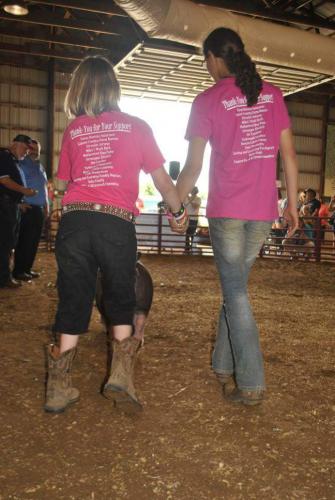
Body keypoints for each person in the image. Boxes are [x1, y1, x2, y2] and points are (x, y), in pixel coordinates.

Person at [45, 55, 188, 415]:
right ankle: (121, 377)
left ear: (78, 89)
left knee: (73, 299)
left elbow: (62, 183)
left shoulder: (74, 129)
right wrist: (178, 211)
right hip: (114, 222)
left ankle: (58, 389)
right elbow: (161, 180)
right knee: (120, 297)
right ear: (114, 87)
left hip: (75, 223)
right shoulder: (138, 127)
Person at [175, 28, 299, 406]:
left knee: (236, 292)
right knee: (235, 289)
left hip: (227, 210)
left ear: (213, 58)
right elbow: (289, 157)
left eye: (205, 60)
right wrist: (291, 206)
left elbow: (193, 167)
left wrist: (176, 205)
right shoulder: (273, 95)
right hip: (262, 212)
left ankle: (251, 382)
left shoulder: (207, 100)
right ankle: (222, 365)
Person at [0, 135, 38, 288]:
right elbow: (4, 180)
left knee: (9, 242)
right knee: (4, 242)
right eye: (25, 148)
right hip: (4, 205)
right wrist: (24, 191)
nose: (26, 152)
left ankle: (5, 275)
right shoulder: (4, 155)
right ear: (15, 144)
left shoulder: (12, 160)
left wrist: (19, 201)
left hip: (11, 205)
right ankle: (3, 278)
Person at [13, 140, 49, 281]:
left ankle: (27, 269)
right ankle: (18, 271)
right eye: (32, 148)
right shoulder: (21, 164)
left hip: (39, 209)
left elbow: (44, 187)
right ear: (27, 149)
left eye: (37, 149)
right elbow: (16, 184)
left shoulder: (40, 166)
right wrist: (19, 202)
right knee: (24, 241)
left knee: (33, 242)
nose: (35, 151)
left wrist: (46, 205)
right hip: (27, 208)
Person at [184, 186, 201, 253]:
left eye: (192, 190)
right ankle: (187, 249)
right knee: (187, 234)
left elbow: (195, 206)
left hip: (194, 219)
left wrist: (189, 198)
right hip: (187, 218)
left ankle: (191, 248)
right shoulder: (186, 198)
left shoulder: (198, 199)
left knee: (192, 234)